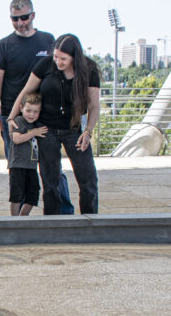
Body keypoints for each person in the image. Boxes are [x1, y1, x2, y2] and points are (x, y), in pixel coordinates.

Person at [0, 0, 73, 214]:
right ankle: (19, 217)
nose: (20, 23)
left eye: (24, 17)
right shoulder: (4, 46)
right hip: (14, 117)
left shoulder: (48, 40)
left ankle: (62, 211)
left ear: (33, 15)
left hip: (45, 116)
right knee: (18, 169)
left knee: (53, 168)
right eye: (15, 19)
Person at [8, 33, 101, 215]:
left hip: (74, 129)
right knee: (50, 181)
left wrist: (88, 131)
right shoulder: (45, 65)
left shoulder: (89, 70)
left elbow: (94, 106)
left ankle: (90, 221)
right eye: (56, 56)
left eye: (63, 58)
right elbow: (26, 91)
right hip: (46, 129)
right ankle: (52, 222)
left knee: (88, 179)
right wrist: (11, 117)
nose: (58, 61)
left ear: (75, 57)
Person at [8, 92, 48, 216]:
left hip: (31, 166)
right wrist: (33, 132)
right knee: (16, 195)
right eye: (28, 110)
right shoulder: (19, 121)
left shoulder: (36, 123)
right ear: (21, 108)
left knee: (33, 195)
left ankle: (23, 216)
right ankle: (14, 220)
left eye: (35, 111)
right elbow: (16, 139)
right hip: (18, 165)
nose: (31, 114)